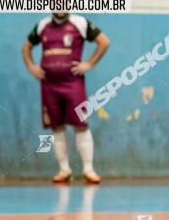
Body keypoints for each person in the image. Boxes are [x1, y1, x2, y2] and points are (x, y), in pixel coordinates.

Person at [22, 12, 109, 183]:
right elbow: (26, 48)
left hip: (73, 84)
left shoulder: (80, 23)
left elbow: (104, 42)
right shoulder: (42, 25)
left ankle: (88, 170)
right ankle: (64, 170)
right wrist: (31, 67)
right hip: (49, 85)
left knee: (81, 125)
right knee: (57, 127)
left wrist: (89, 64)